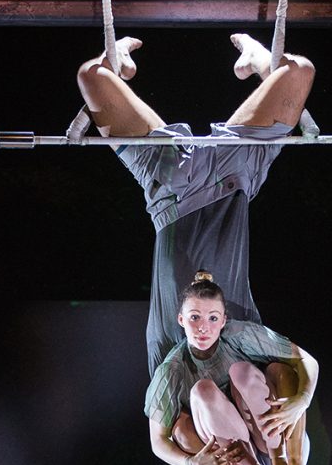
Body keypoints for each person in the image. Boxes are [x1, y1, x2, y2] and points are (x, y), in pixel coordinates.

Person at [76, 32, 316, 377]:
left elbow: (160, 428)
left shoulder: (169, 362)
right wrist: (296, 405)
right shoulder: (245, 344)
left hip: (170, 187)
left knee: (90, 76)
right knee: (299, 71)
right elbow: (299, 367)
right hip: (234, 176)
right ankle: (256, 57)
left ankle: (119, 60)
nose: (203, 329)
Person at [145, 271, 319, 465]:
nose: (203, 328)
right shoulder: (172, 370)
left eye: (213, 318)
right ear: (181, 320)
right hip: (239, 462)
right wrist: (192, 464)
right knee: (186, 418)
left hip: (279, 442)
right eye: (195, 317)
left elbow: (307, 361)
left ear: (224, 320)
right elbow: (158, 441)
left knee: (274, 369)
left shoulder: (239, 335)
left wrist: (302, 401)